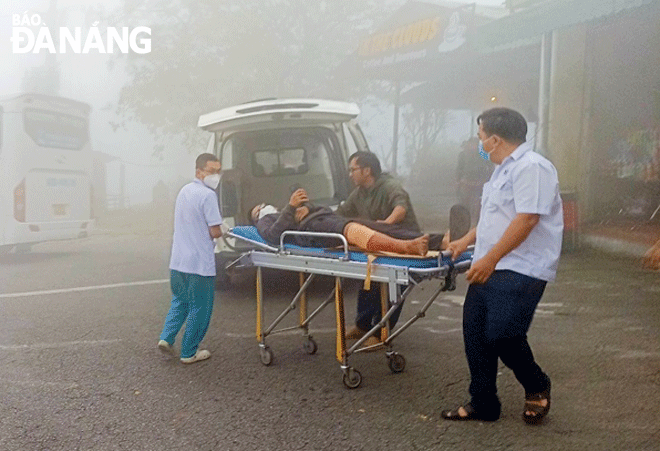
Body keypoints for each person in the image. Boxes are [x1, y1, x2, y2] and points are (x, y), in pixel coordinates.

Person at [441, 108, 563, 424]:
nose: (480, 143)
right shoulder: (501, 170)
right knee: (476, 334)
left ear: (495, 139)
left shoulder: (532, 167)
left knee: (503, 335)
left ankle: (536, 385)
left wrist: (491, 259)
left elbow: (527, 219)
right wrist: (465, 241)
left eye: (481, 136)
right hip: (489, 263)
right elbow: (494, 217)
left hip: (521, 267)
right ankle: (483, 402)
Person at [335, 151, 422, 348]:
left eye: (353, 169)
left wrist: (387, 224)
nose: (350, 174)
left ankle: (383, 332)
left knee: (393, 287)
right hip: (379, 246)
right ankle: (363, 326)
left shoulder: (390, 186)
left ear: (367, 170)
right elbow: (341, 213)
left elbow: (401, 208)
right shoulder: (359, 193)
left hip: (403, 245)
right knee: (368, 281)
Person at [157, 153, 223, 364]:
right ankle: (189, 352)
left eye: (218, 171)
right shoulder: (208, 195)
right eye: (211, 171)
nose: (215, 175)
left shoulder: (184, 191)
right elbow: (215, 232)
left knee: (181, 300)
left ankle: (166, 338)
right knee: (200, 307)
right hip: (199, 264)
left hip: (178, 261)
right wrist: (225, 229)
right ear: (199, 172)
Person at [249, 188, 432, 256]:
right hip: (312, 229)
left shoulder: (285, 210)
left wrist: (308, 208)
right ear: (256, 217)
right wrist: (290, 208)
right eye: (258, 209)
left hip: (324, 218)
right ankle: (405, 247)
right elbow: (273, 236)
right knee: (351, 229)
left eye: (263, 205)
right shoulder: (265, 220)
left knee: (379, 226)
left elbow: (325, 210)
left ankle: (439, 241)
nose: (263, 207)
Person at [456, 137, 493, 222]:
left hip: (480, 184)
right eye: (471, 144)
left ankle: (476, 224)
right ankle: (464, 222)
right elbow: (459, 169)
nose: (473, 146)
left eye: (475, 144)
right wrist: (458, 181)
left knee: (477, 205)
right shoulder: (463, 155)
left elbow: (490, 168)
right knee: (464, 204)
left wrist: (486, 181)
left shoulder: (483, 155)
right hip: (466, 183)